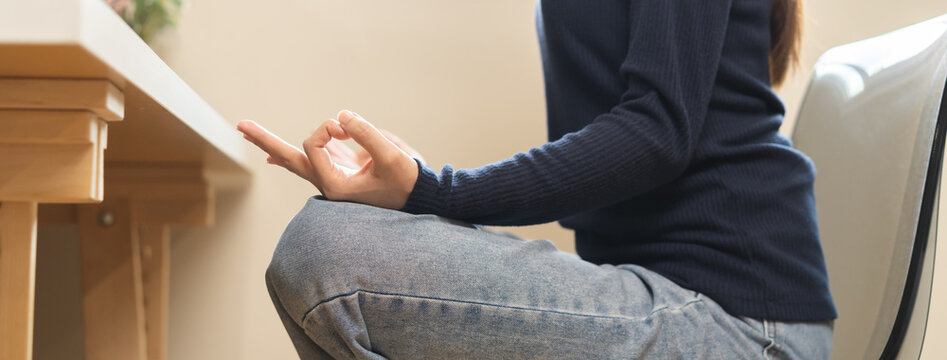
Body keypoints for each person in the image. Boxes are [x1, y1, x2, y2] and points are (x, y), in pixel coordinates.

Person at [238, 0, 836, 358]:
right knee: (330, 237)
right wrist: (414, 190)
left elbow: (657, 131)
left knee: (326, 250)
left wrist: (435, 190)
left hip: (741, 319)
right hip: (661, 291)